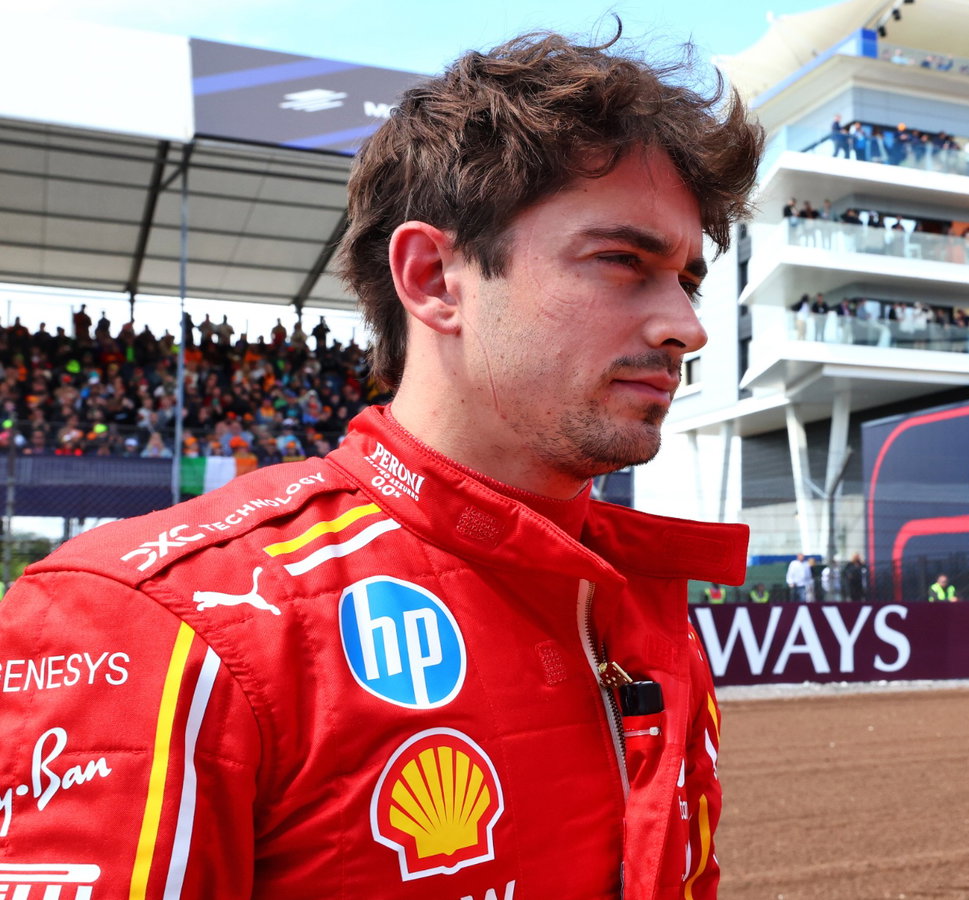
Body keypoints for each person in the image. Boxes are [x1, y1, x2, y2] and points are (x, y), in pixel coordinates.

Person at [0, 28, 760, 899]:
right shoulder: (157, 619)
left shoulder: (630, 602)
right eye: (624, 260)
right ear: (434, 277)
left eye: (689, 280)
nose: (686, 326)